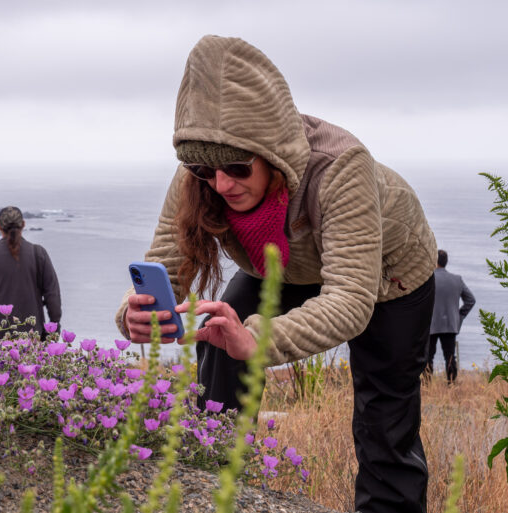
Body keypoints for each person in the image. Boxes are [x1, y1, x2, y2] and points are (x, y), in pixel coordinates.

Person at [114, 36, 437, 513]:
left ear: (273, 152)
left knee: (384, 415)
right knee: (220, 337)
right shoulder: (202, 173)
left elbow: (349, 298)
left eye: (239, 168)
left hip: (387, 277)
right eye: (205, 171)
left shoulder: (341, 168)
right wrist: (134, 314)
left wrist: (260, 340)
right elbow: (167, 262)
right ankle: (215, 485)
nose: (222, 185)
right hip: (279, 268)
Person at [0, 206, 61, 337]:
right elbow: (52, 297)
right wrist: (54, 328)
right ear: (23, 224)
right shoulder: (38, 254)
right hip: (32, 340)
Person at [426, 249, 475, 383]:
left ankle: (427, 385)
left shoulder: (428, 279)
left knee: (428, 356)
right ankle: (451, 383)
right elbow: (471, 300)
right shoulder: (457, 280)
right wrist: (459, 315)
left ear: (434, 261)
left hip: (431, 324)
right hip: (450, 324)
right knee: (450, 356)